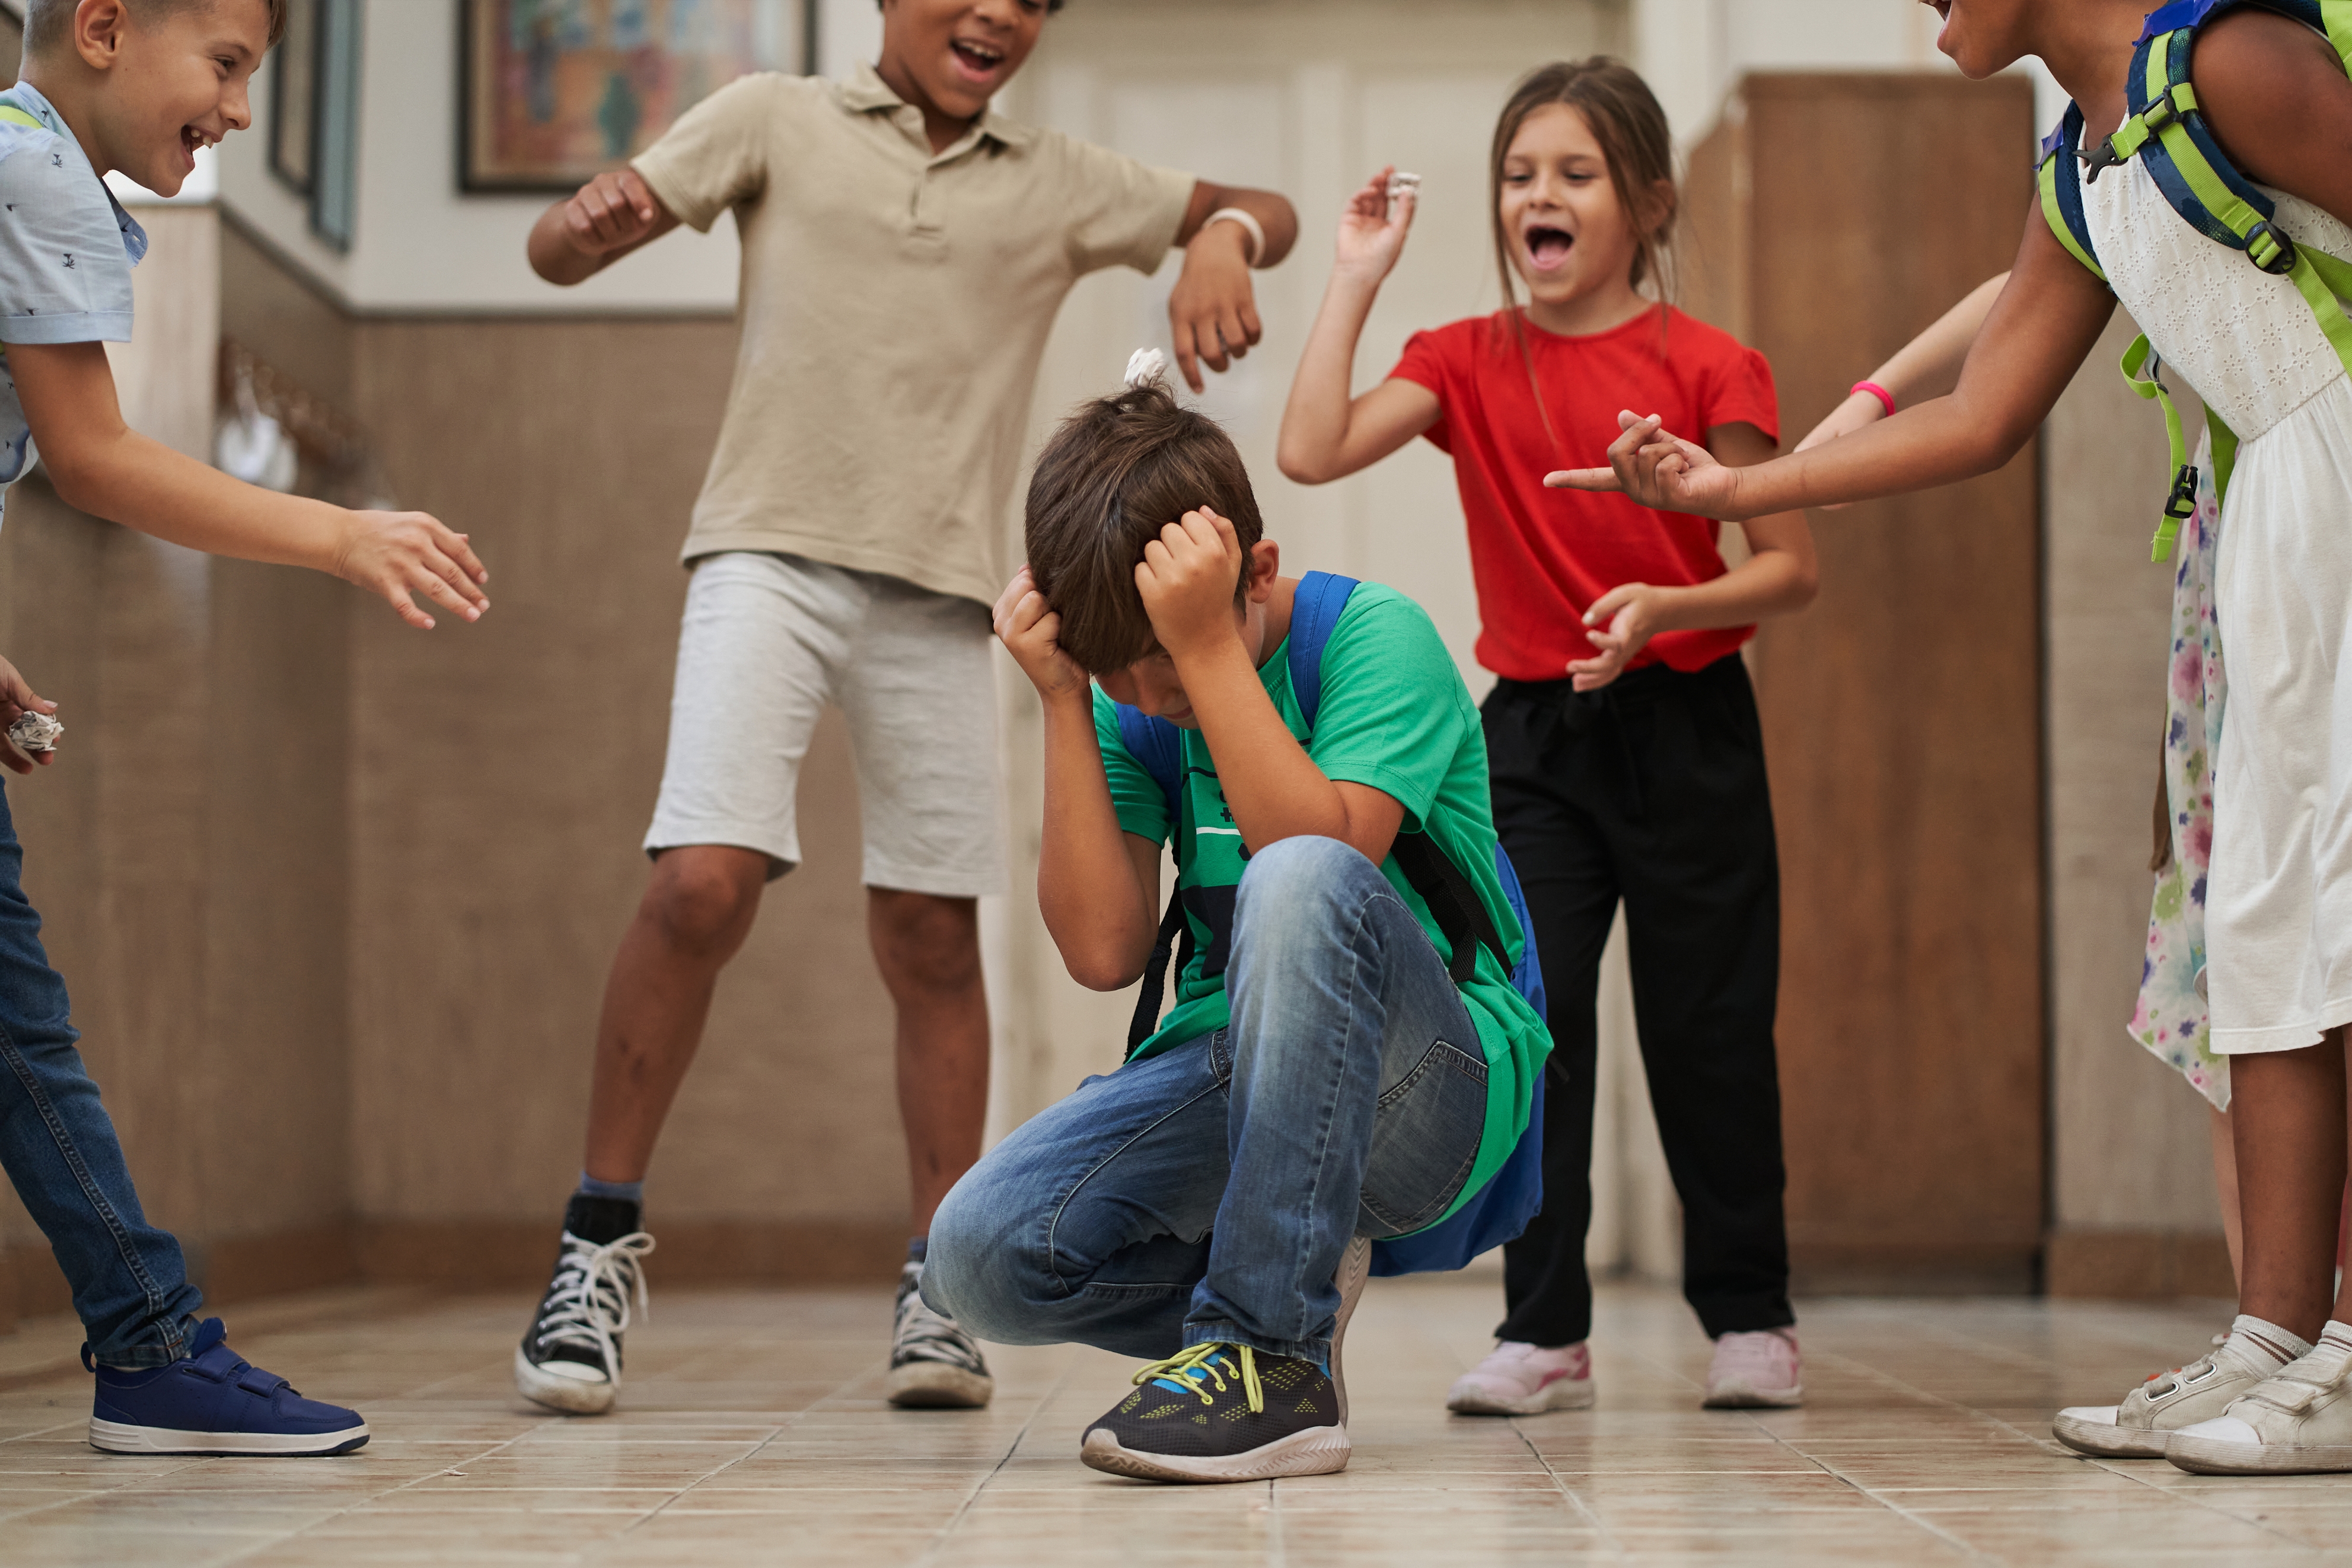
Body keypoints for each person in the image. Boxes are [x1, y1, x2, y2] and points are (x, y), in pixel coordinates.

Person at [1550, 0, 2352, 1477]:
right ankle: (2280, 1340)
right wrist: (1739, 495)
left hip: (2341, 480)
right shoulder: (2086, 162)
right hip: (2275, 530)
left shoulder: (2232, 59)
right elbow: (1987, 411)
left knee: (2341, 927)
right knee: (2268, 925)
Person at [513, 0, 1299, 1416]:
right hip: (766, 552)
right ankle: (594, 1242)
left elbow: (1267, 208)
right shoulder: (772, 117)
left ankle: (940, 1282)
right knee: (700, 883)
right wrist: (591, 222)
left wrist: (1222, 237)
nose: (998, 9)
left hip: (946, 591)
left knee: (934, 932)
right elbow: (557, 247)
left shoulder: (1056, 178)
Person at [1274, 58, 1818, 1414]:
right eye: (1520, 176)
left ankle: (1750, 1313)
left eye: (1573, 174)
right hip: (1530, 742)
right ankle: (1544, 1325)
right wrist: (1355, 273)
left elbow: (1790, 566)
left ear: (1645, 201)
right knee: (1535, 1022)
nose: (1539, 197)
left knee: (1710, 1029)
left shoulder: (1708, 363)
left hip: (1690, 724)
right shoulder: (1461, 359)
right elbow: (1310, 449)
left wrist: (1670, 602)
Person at [917, 352, 1553, 1482]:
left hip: (1431, 1084)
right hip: (1242, 1072)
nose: (1154, 697)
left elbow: (1319, 851)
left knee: (1293, 878)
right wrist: (1068, 701)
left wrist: (1209, 647)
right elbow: (1104, 951)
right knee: (976, 1259)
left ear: (1255, 570)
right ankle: (1281, 1296)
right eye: (1121, 671)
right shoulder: (1123, 703)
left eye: (1164, 660)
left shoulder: (1372, 642)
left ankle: (1269, 1354)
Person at [0, 0, 492, 1454]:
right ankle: (152, 1346)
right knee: (24, 1031)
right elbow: (92, 457)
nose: (240, 110)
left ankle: (151, 1337)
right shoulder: (31, 166)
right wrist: (339, 534)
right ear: (101, 27)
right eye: (224, 66)